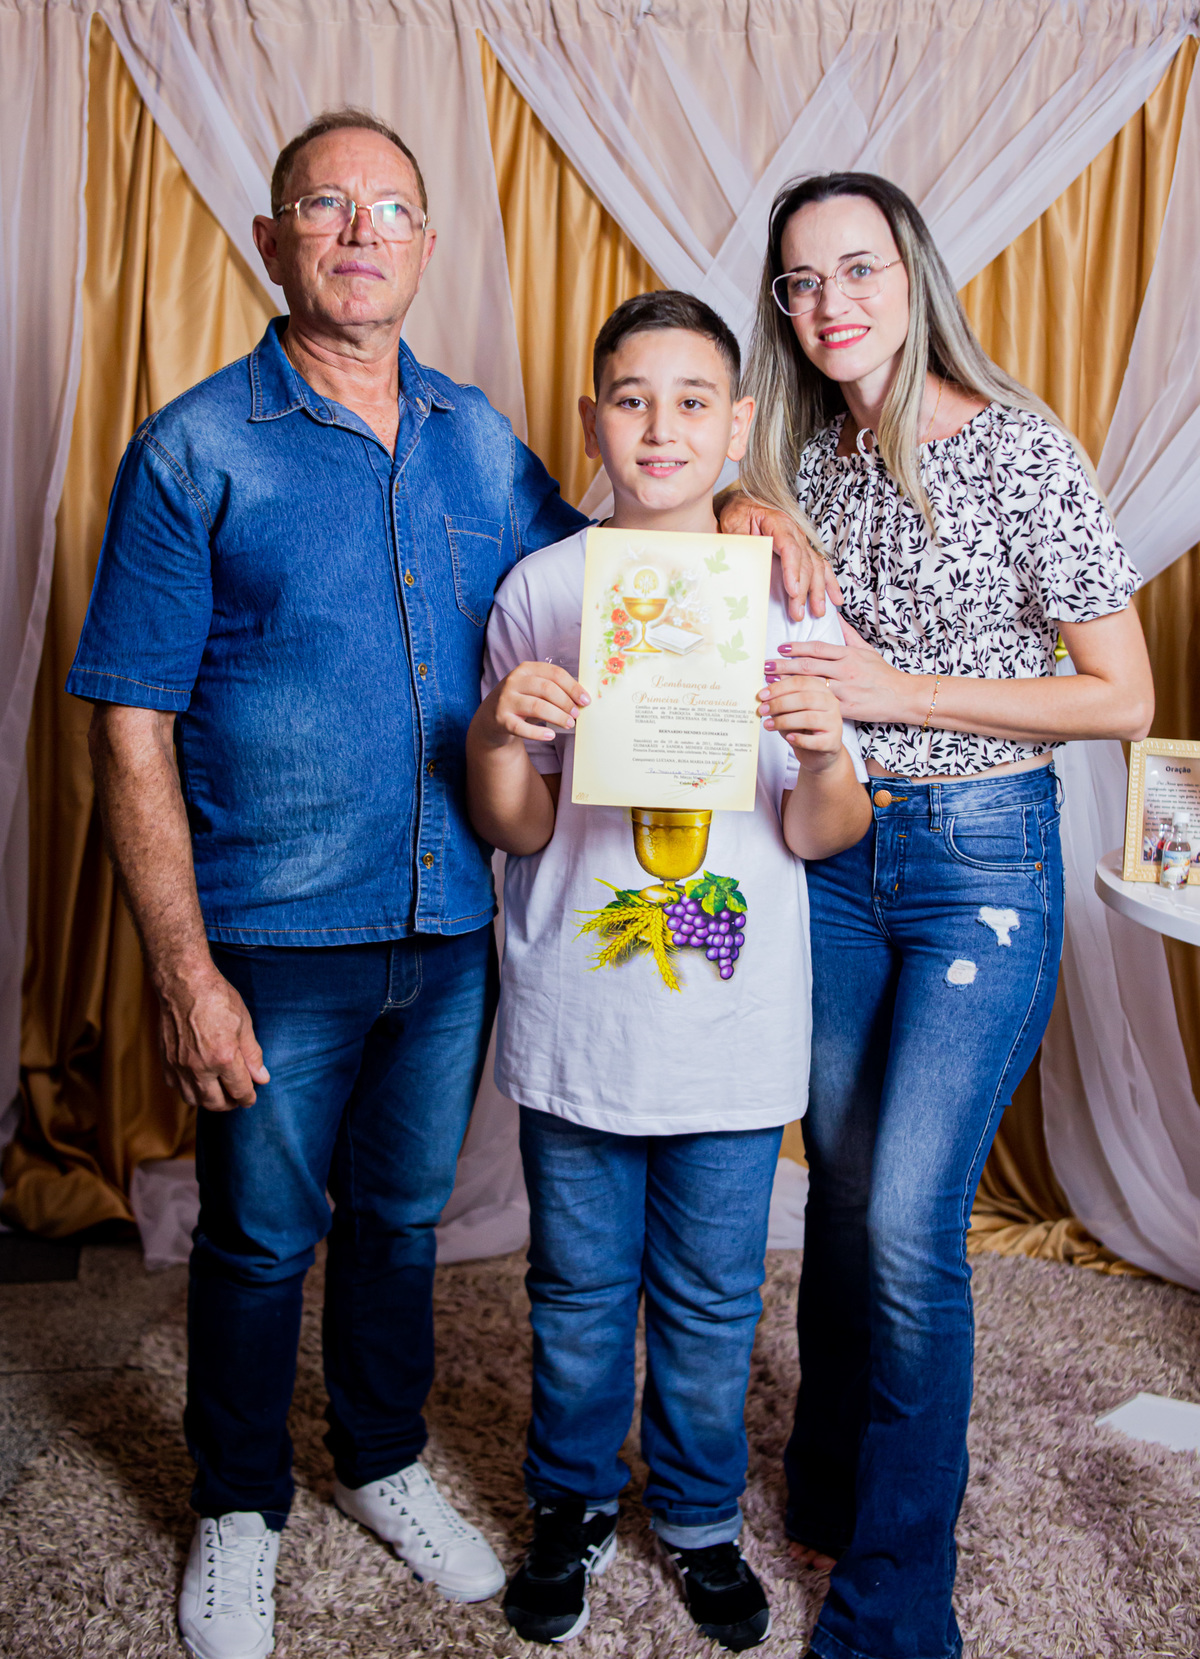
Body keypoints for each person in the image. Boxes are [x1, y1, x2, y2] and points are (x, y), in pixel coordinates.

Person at [66, 108, 594, 1659]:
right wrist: (186, 974)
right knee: (255, 1238)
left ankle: (381, 1457)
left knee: (402, 1223)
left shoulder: (478, 438)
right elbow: (130, 724)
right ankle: (238, 1503)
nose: (362, 232)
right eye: (326, 205)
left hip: (449, 925)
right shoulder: (195, 449)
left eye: (392, 209)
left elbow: (606, 583)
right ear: (272, 240)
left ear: (426, 245)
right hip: (275, 935)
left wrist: (741, 517)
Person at [737, 172, 1154, 1659]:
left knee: (914, 1222)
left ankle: (898, 1604)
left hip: (981, 864)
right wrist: (742, 503)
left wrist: (896, 689)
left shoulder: (1020, 447)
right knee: (843, 1197)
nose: (831, 302)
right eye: (801, 282)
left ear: (913, 277)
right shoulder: (810, 456)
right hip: (839, 853)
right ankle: (832, 1487)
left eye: (858, 269)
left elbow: (1122, 694)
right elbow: (707, 511)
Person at [466, 290, 872, 1651]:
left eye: (694, 401)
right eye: (632, 399)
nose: (660, 427)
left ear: (739, 426)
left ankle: (698, 1518)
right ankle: (571, 1502)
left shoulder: (790, 595)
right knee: (577, 1296)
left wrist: (824, 751)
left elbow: (822, 832)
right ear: (593, 420)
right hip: (580, 1016)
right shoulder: (544, 589)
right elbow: (518, 828)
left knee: (710, 1299)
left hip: (732, 1029)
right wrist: (497, 737)